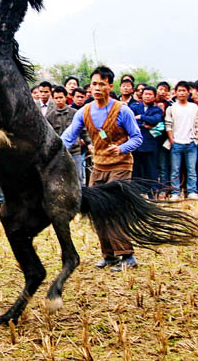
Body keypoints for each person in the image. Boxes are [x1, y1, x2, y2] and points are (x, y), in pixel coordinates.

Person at [61, 66, 142, 271]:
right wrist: (53, 150)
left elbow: (137, 138)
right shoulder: (84, 111)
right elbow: (69, 136)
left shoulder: (123, 110)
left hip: (121, 165)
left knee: (115, 208)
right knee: (97, 210)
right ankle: (109, 256)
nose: (97, 88)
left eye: (102, 84)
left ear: (110, 86)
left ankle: (127, 255)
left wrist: (122, 148)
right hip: (98, 165)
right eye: (94, 84)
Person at [165, 81, 198, 201]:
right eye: (179, 91)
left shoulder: (194, 107)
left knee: (191, 169)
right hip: (176, 142)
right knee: (175, 170)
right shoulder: (171, 108)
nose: (182, 93)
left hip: (191, 143)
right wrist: (171, 139)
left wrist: (196, 136)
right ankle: (175, 192)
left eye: (184, 90)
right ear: (175, 92)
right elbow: (168, 124)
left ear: (189, 92)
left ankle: (192, 191)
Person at [46, 86, 85, 184]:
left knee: (77, 177)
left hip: (75, 151)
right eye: (56, 98)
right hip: (59, 152)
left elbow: (84, 130)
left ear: (66, 97)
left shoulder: (75, 113)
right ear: (53, 99)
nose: (59, 100)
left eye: (61, 97)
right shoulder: (50, 116)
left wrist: (89, 143)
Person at [129, 86, 163, 196]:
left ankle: (152, 193)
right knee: (136, 171)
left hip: (150, 145)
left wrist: (140, 117)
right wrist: (144, 124)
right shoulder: (134, 107)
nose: (147, 96)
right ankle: (136, 193)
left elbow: (156, 120)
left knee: (151, 170)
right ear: (141, 95)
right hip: (136, 145)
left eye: (150, 94)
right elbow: (130, 121)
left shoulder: (156, 109)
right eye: (145, 94)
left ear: (154, 97)